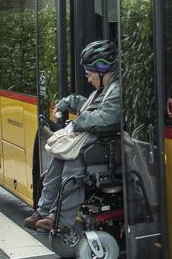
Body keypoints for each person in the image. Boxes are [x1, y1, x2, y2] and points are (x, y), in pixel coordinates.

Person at [23, 40, 122, 231]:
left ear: (102, 69)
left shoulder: (116, 90)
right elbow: (90, 107)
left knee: (72, 161)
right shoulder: (105, 90)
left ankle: (61, 218)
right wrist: (69, 102)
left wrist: (78, 122)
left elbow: (107, 116)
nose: (88, 78)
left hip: (108, 144)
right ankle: (44, 211)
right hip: (95, 141)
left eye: (89, 73)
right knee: (58, 160)